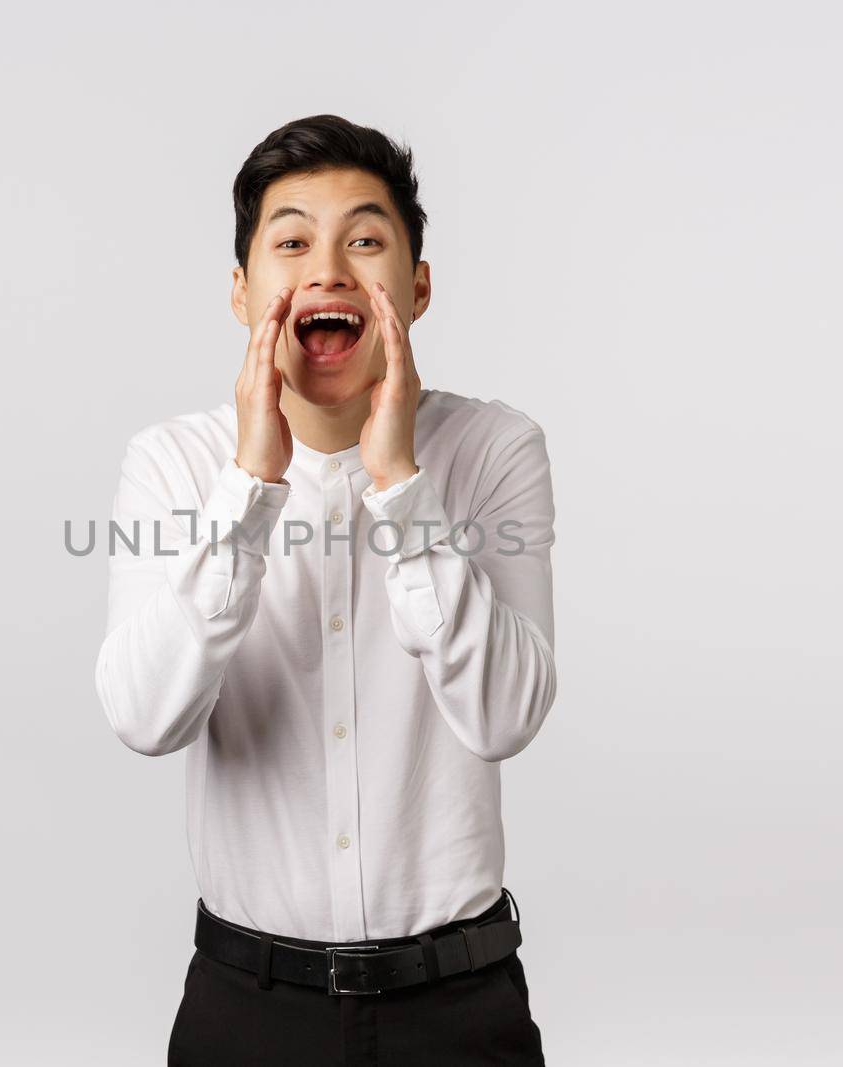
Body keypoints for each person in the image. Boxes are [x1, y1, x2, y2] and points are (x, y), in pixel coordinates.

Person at [94, 113, 556, 1065]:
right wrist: (248, 490)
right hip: (246, 1010)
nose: (330, 268)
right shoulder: (175, 466)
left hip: (460, 1009)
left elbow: (505, 716)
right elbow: (144, 717)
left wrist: (400, 483)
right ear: (242, 289)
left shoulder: (496, 451)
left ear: (416, 287)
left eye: (366, 240)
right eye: (293, 239)